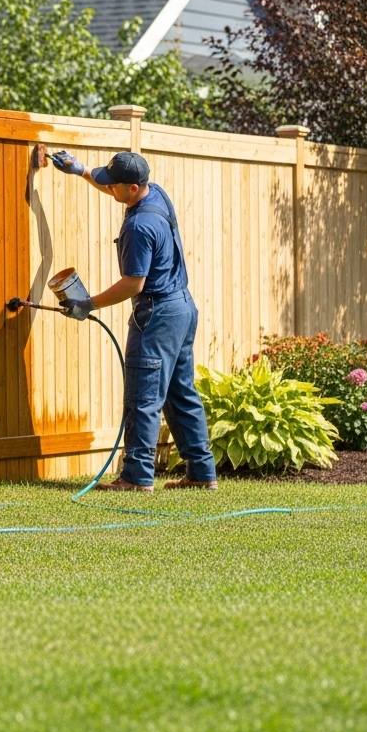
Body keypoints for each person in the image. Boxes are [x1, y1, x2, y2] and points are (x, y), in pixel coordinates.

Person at [50, 149, 218, 492]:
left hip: (156, 315)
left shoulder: (139, 226)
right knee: (180, 393)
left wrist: (88, 304)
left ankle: (137, 477)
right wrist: (80, 170)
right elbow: (106, 181)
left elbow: (133, 283)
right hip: (182, 308)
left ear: (130, 188)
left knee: (143, 397)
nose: (109, 189)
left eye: (114, 186)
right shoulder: (156, 193)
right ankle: (202, 474)